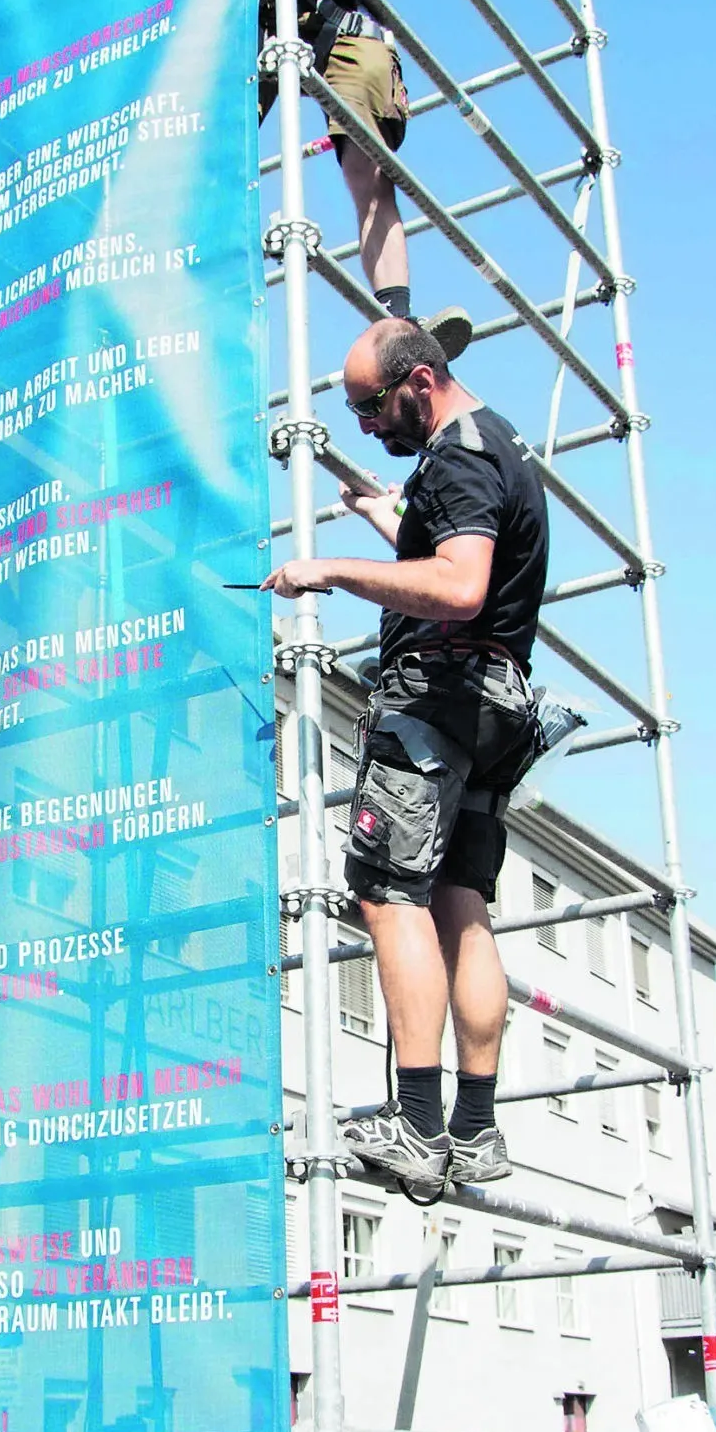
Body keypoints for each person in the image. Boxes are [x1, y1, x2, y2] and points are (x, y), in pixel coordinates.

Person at [261, 318, 550, 1202]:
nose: (365, 427)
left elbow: (458, 586)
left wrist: (330, 569)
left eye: (371, 407)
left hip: (437, 699)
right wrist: (390, 518)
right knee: (461, 906)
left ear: (419, 382)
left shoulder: (456, 458)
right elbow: (465, 561)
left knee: (388, 895)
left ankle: (418, 1124)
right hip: (496, 703)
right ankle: (474, 1124)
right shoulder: (493, 444)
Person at [261, 0, 469, 358]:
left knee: (368, 170)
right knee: (208, 146)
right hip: (254, 10)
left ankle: (397, 325)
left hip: (339, 12)